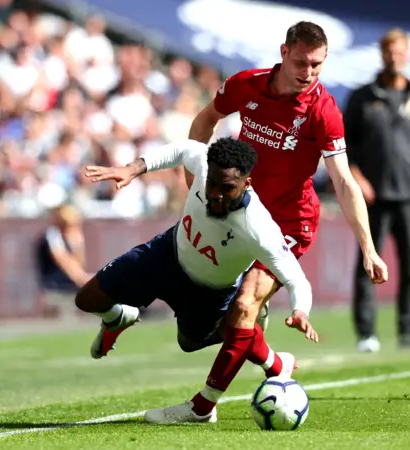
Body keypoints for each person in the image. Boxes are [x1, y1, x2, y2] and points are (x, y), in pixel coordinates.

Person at [144, 21, 387, 424]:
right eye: (302, 62)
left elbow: (344, 182)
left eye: (318, 65)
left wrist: (369, 248)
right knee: (199, 331)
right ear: (283, 52)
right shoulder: (246, 84)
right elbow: (205, 121)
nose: (309, 73)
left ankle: (201, 407)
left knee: (243, 306)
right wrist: (196, 184)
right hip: (240, 213)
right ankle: (276, 365)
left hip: (290, 222)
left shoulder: (323, 111)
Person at [77, 137, 317, 423]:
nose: (215, 194)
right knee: (87, 298)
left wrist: (300, 310)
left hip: (208, 294)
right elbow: (181, 149)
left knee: (190, 343)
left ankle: (269, 362)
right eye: (212, 184)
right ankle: (117, 318)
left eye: (226, 188)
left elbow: (297, 279)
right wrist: (133, 168)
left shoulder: (259, 229)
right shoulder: (206, 164)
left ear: (246, 184)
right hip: (165, 254)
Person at [343, 28, 410, 353]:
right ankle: (366, 334)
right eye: (390, 52)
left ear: (407, 55)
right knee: (367, 263)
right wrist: (357, 178)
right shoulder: (363, 96)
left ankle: (409, 330)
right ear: (382, 54)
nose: (395, 58)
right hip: (373, 197)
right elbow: (342, 147)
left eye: (400, 52)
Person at [35, 204, 91, 318]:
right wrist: (84, 279)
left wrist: (77, 244)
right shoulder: (52, 235)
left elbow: (79, 263)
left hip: (73, 291)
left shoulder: (73, 237)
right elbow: (65, 262)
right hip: (56, 291)